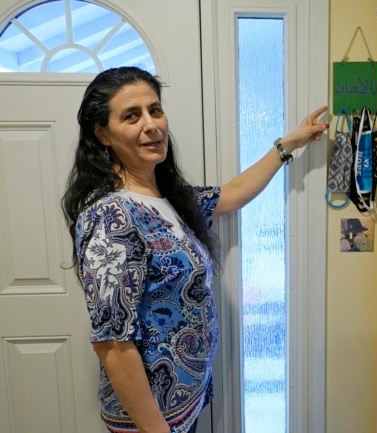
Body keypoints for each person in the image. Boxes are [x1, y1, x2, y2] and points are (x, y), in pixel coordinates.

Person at [61, 66, 328, 433]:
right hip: (149, 418)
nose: (151, 125)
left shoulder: (168, 198)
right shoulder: (110, 216)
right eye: (131, 116)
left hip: (183, 402)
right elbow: (112, 343)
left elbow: (231, 194)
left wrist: (289, 144)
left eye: (155, 110)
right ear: (102, 134)